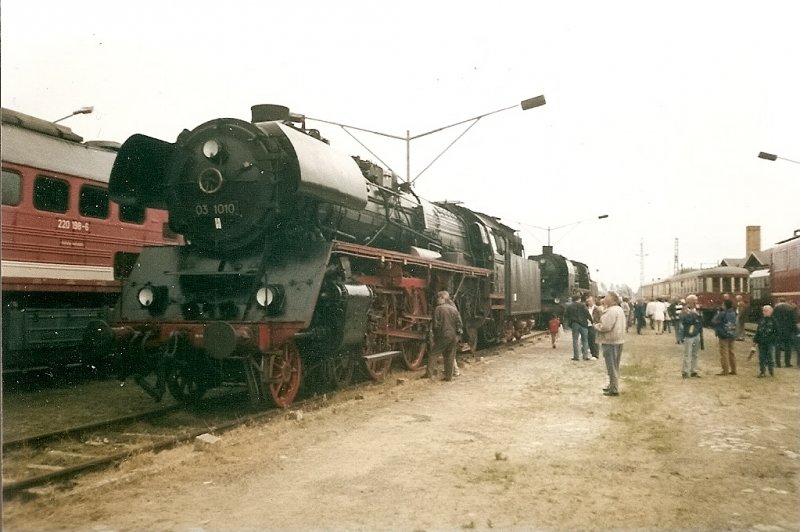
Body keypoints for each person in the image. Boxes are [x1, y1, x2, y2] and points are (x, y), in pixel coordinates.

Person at [594, 291, 626, 396]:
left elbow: (605, 327)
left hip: (610, 341)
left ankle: (614, 388)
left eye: (606, 297)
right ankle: (612, 385)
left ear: (611, 299)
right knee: (615, 365)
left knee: (611, 366)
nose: (604, 299)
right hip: (618, 339)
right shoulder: (619, 309)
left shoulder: (611, 311)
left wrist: (596, 326)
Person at [425, 291, 463, 381]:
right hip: (453, 336)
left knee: (433, 353)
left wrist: (435, 336)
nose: (437, 300)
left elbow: (435, 325)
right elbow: (459, 324)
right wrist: (457, 335)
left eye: (438, 298)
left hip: (443, 335)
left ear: (443, 298)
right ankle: (448, 377)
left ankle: (428, 374)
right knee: (450, 356)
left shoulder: (438, 309)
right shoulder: (454, 309)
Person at [679, 294, 704, 378]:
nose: (696, 302)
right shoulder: (685, 310)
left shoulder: (698, 310)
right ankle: (685, 371)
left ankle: (694, 370)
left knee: (695, 354)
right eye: (695, 300)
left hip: (696, 333)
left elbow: (701, 320)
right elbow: (684, 319)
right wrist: (693, 315)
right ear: (690, 301)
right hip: (689, 333)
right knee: (687, 353)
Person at [711, 299, 738, 375]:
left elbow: (714, 321)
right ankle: (734, 369)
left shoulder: (722, 313)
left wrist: (718, 313)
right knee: (731, 352)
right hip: (731, 334)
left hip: (723, 334)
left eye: (723, 304)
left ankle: (725, 370)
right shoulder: (733, 313)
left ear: (725, 306)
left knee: (724, 353)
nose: (722, 306)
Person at [751, 305, 777, 377]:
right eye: (763, 311)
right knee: (761, 357)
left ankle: (771, 371)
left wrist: (773, 340)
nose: (764, 312)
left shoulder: (774, 321)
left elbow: (776, 332)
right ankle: (762, 372)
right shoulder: (761, 320)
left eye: (766, 311)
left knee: (770, 357)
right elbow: (758, 332)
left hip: (769, 342)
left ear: (770, 312)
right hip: (761, 342)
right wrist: (755, 342)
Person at [564, 296, 593, 361]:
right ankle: (585, 356)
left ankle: (576, 356)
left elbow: (566, 315)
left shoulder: (569, 306)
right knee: (585, 340)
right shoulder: (583, 305)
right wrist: (591, 321)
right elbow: (587, 314)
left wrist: (567, 324)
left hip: (574, 324)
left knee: (575, 340)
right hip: (583, 324)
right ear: (579, 299)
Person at [773, 299, 798, 368]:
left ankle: (778, 363)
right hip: (788, 331)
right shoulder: (790, 308)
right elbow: (793, 321)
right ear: (785, 301)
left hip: (778, 331)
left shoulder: (776, 308)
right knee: (788, 347)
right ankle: (787, 363)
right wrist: (795, 331)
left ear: (779, 301)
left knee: (777, 347)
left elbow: (773, 319)